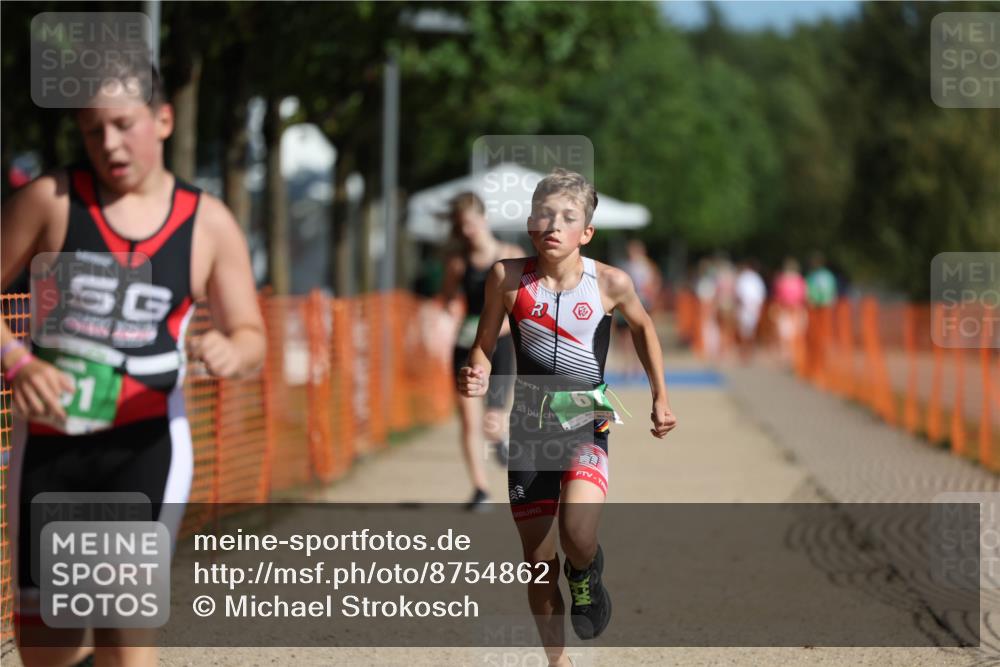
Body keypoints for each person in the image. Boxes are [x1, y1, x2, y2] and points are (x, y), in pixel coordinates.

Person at [1, 58, 265, 667]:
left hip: (147, 447)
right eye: (94, 131)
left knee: (123, 634)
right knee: (52, 650)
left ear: (164, 118)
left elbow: (250, 332)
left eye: (124, 124)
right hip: (50, 449)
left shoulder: (208, 222)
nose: (110, 144)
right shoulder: (52, 199)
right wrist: (18, 362)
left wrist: (233, 349)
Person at [458, 169, 677, 665]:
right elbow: (484, 346)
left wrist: (659, 396)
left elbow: (643, 330)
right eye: (544, 215)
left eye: (568, 218)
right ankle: (557, 660)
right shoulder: (506, 278)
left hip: (586, 418)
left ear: (587, 232)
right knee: (537, 562)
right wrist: (476, 370)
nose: (553, 225)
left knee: (578, 531)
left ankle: (585, 572)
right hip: (531, 427)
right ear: (531, 224)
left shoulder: (611, 282)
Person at [439, 192, 523, 510]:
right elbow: (446, 301)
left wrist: (493, 329)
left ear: (484, 219)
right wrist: (442, 318)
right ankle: (480, 488)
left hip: (499, 347)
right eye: (462, 226)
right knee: (468, 420)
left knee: (492, 421)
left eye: (472, 224)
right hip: (465, 346)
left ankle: (499, 440)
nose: (468, 231)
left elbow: (519, 309)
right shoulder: (458, 263)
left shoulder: (511, 255)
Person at [771, 257, 807, 363]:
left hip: (789, 309)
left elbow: (778, 296)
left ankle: (789, 354)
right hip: (793, 309)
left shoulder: (783, 280)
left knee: (787, 332)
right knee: (793, 332)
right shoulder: (799, 280)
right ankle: (792, 354)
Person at [734, 259, 766, 360]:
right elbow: (761, 294)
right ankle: (748, 351)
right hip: (752, 306)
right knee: (750, 330)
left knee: (745, 330)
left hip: (745, 306)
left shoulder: (744, 277)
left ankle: (745, 351)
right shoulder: (756, 278)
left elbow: (738, 293)